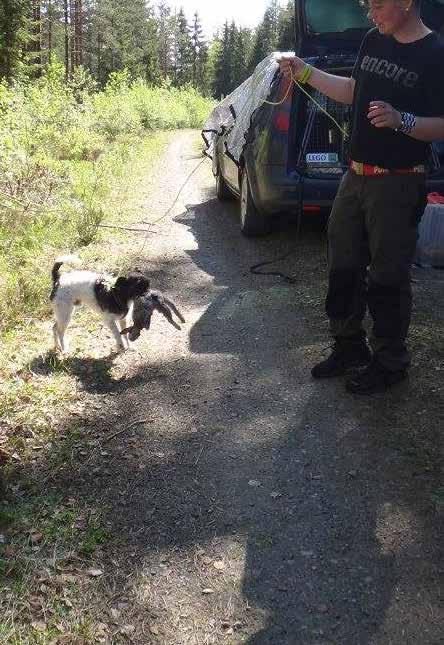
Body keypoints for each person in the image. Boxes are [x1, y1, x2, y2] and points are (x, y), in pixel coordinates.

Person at [280, 0, 444, 394]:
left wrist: (401, 120)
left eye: (376, 6)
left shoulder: (436, 52)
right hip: (353, 177)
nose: (370, 14)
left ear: (406, 2)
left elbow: (441, 123)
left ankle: (390, 361)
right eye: (367, 6)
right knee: (343, 264)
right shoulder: (373, 40)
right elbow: (353, 90)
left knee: (388, 275)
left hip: (398, 182)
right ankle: (349, 346)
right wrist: (307, 72)